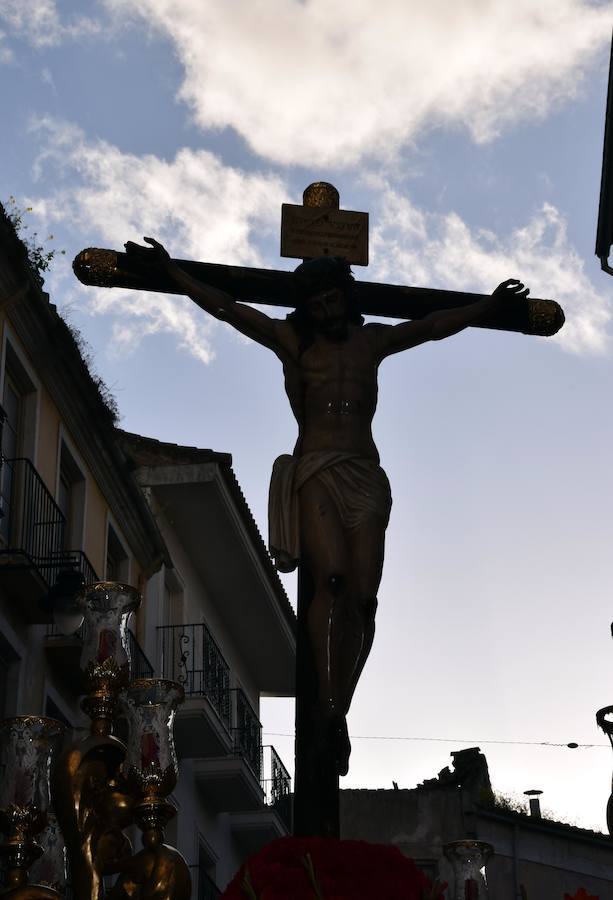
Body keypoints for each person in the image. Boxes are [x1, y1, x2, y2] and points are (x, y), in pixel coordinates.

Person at [130, 237, 528, 775]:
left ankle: (338, 705)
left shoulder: (372, 345)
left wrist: (487, 306)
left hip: (365, 475)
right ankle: (324, 700)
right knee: (333, 581)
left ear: (346, 297)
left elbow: (432, 326)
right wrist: (173, 271)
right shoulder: (293, 344)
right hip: (316, 468)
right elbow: (228, 309)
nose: (325, 312)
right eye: (315, 306)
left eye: (332, 301)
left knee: (364, 600)